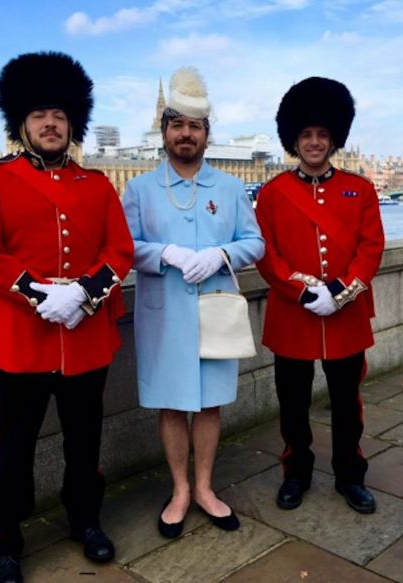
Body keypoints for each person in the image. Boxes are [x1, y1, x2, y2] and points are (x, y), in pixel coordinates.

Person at [0, 52, 133, 583]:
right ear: (22, 123)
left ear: (73, 121)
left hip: (84, 339)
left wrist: (84, 294)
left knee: (85, 440)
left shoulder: (97, 185)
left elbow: (120, 251)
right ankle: (6, 539)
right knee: (13, 446)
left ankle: (85, 519)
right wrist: (38, 293)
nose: (50, 123)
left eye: (59, 114)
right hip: (19, 340)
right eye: (39, 114)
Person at [122, 67, 264, 539]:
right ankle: (180, 489)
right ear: (164, 130)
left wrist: (223, 254)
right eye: (177, 124)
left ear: (207, 134)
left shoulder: (228, 188)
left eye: (195, 126)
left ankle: (204, 487)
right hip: (164, 317)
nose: (186, 134)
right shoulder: (140, 189)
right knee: (170, 405)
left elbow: (255, 242)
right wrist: (165, 253)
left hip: (215, 312)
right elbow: (124, 248)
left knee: (208, 405)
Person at [255, 77, 385, 513]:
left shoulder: (360, 189)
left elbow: (371, 248)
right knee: (293, 405)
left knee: (348, 405)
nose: (314, 142)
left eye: (322, 134)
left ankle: (351, 474)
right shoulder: (272, 194)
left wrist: (340, 293)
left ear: (334, 138)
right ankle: (297, 472)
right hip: (294, 314)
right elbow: (266, 256)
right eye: (306, 135)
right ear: (295, 139)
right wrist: (303, 290)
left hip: (345, 314)